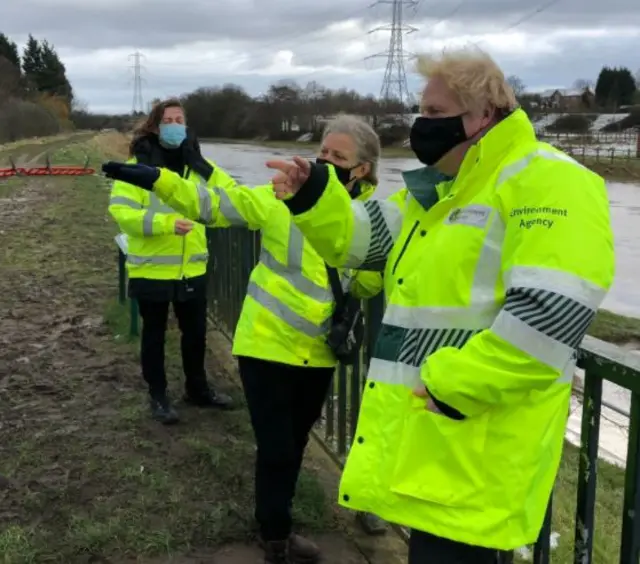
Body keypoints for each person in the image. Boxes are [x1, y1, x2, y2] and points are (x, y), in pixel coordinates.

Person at [266, 48, 615, 563]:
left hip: (478, 447)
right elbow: (363, 240)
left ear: (485, 115)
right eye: (421, 111)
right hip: (433, 442)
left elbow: (552, 312)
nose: (420, 125)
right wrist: (312, 197)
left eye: (434, 113)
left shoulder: (547, 179)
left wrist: (454, 384)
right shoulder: (438, 192)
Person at [102, 114, 384, 564]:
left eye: (338, 156)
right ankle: (276, 536)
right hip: (267, 344)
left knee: (293, 443)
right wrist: (158, 180)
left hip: (319, 352)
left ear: (363, 169)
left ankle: (280, 521)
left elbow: (367, 284)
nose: (325, 160)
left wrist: (366, 278)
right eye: (323, 152)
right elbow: (214, 202)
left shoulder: (371, 219)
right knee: (275, 447)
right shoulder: (279, 197)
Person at [108, 98, 234, 425]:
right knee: (155, 335)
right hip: (151, 268)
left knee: (195, 334)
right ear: (155, 125)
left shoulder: (201, 168)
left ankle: (198, 390)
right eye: (169, 120)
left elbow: (235, 198)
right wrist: (166, 224)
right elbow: (122, 213)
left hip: (192, 268)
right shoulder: (139, 165)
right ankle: (158, 396)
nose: (175, 125)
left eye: (180, 120)